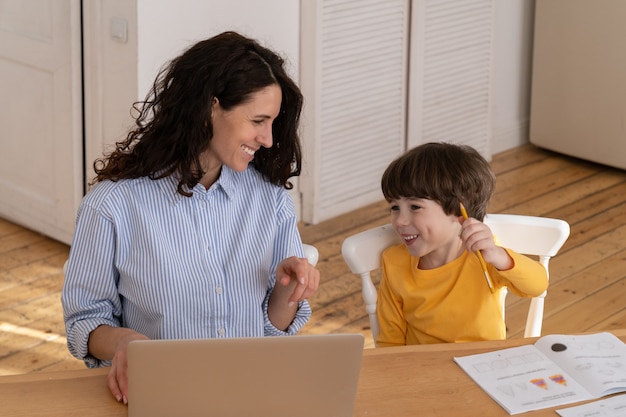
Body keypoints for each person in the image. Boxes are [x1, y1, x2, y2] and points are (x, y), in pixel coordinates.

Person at [61, 31, 320, 404]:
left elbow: (271, 331)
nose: (267, 139)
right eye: (258, 120)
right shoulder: (113, 206)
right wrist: (125, 342)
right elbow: (83, 321)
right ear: (211, 108)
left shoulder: (270, 201)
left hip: (251, 395)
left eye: (273, 124)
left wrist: (286, 291)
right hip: (161, 396)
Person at [375, 142, 548, 347]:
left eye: (415, 206)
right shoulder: (394, 262)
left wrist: (499, 256)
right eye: (395, 207)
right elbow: (390, 339)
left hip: (483, 362)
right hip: (424, 367)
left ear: (459, 211)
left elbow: (537, 287)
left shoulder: (484, 255)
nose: (400, 221)